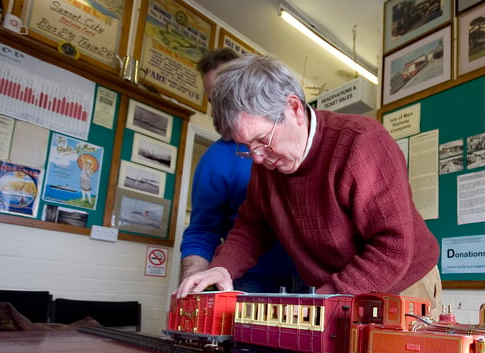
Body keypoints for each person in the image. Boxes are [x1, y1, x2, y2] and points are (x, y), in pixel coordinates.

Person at [176, 54, 441, 313]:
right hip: (337, 292)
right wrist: (223, 266)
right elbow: (253, 227)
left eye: (262, 140)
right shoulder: (268, 165)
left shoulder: (362, 143)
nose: (256, 157)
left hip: (403, 286)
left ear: (293, 109)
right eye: (245, 147)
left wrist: (321, 302)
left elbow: (392, 246)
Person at [180, 48, 305, 293]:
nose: (224, 106)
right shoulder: (215, 160)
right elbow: (203, 230)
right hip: (251, 279)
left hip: (313, 275)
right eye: (216, 99)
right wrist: (193, 287)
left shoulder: (298, 136)